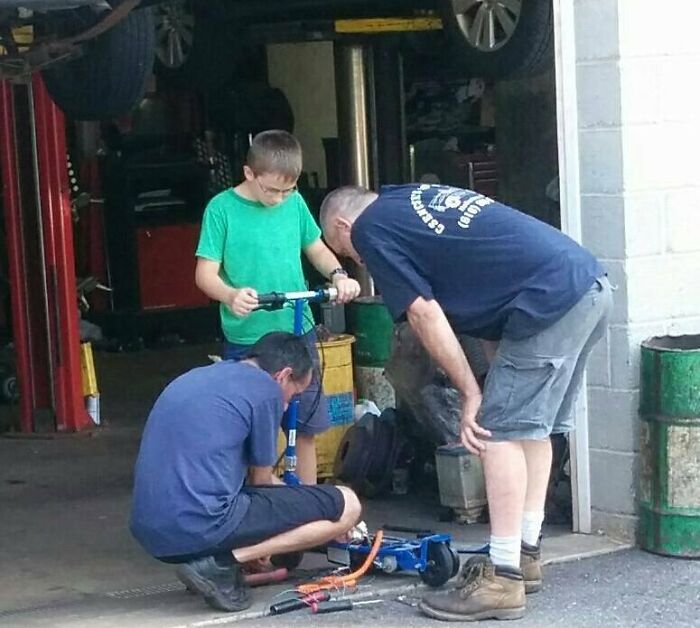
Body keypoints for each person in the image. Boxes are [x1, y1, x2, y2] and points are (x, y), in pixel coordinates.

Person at [319, 184, 612, 622]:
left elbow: (424, 314)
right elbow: (489, 289)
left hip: (549, 301)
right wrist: (489, 382)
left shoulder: (371, 231)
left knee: (498, 435)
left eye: (344, 249)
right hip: (586, 286)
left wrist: (472, 395)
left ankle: (504, 579)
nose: (355, 260)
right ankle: (524, 553)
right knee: (531, 430)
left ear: (344, 226)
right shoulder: (405, 200)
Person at [130, 332, 362, 613]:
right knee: (348, 504)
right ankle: (224, 563)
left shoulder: (200, 376)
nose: (287, 406)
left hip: (151, 532)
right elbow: (261, 481)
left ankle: (214, 562)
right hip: (199, 525)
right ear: (283, 375)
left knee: (273, 506)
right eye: (294, 395)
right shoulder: (264, 392)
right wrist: (319, 510)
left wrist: (303, 502)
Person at [195, 130, 361, 484]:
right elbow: (204, 273)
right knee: (254, 426)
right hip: (249, 338)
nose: (280, 198)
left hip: (297, 331)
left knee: (305, 425)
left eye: (289, 190)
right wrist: (229, 295)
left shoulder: (294, 204)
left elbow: (315, 248)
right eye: (272, 190)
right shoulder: (221, 209)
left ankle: (307, 503)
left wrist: (338, 274)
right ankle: (259, 498)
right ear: (249, 173)